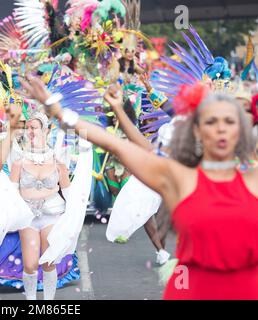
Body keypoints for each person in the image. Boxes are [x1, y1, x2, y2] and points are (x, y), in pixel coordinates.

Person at [21, 76, 258, 299]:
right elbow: (115, 144)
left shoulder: (254, 180)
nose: (221, 128)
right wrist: (58, 110)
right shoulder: (178, 177)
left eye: (229, 121)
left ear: (243, 127)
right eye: (211, 121)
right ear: (196, 129)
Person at [9, 111, 70, 300]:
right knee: (30, 264)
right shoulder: (18, 161)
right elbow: (10, 192)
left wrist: (75, 215)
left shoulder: (58, 160)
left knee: (48, 262)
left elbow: (68, 193)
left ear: (45, 130)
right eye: (27, 128)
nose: (29, 132)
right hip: (27, 215)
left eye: (33, 128)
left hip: (52, 214)